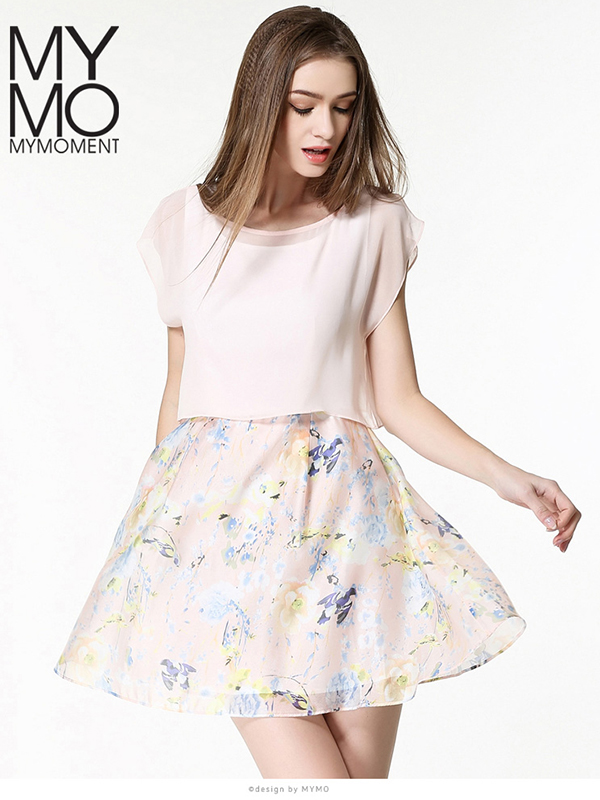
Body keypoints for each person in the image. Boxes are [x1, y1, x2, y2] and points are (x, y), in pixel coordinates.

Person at [53, 5, 580, 781]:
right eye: (303, 106)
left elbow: (398, 400)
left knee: (357, 788)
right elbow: (179, 400)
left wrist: (512, 480)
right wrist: (155, 544)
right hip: (231, 549)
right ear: (261, 101)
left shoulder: (371, 224)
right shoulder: (183, 225)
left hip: (354, 535)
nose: (325, 128)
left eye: (343, 106)